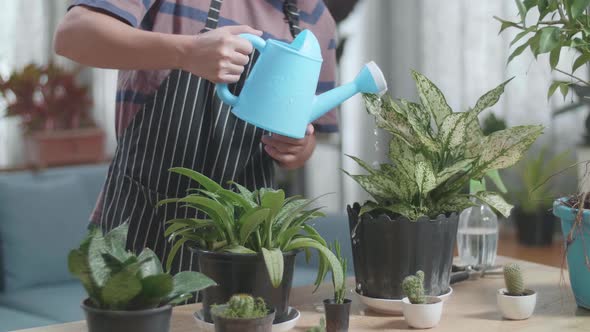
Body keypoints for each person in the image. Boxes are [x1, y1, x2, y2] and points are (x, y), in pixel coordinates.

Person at [54, 0, 338, 273]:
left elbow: (308, 138)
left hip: (246, 240)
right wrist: (187, 53)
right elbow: (72, 36)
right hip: (141, 223)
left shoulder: (315, 17)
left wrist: (298, 147)